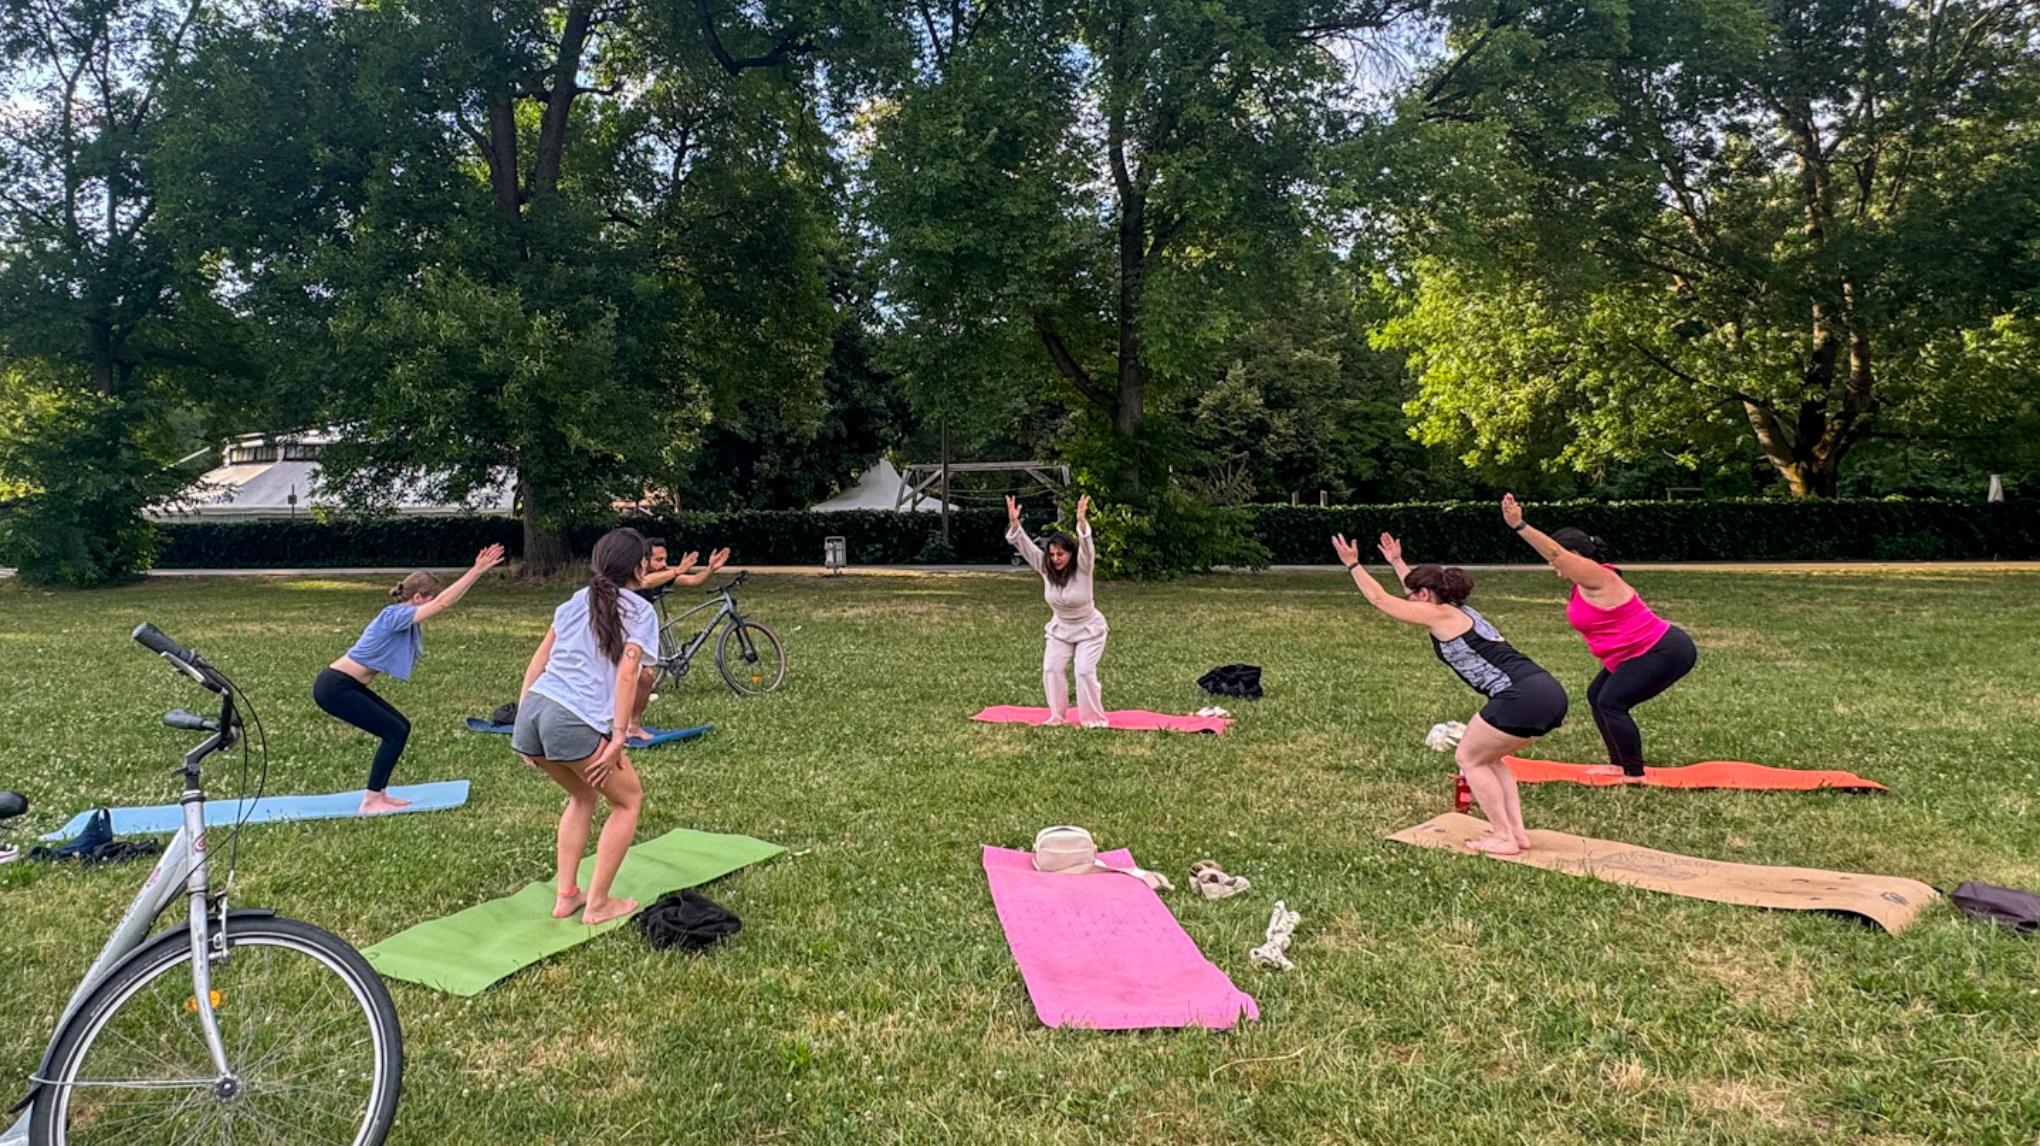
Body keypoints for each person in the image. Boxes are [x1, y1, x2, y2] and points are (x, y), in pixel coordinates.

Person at [1335, 533, 1567, 855]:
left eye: (1412, 595)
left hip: (1520, 695)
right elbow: (1419, 592)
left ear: (1425, 594)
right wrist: (1397, 562)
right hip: (1545, 690)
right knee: (1490, 759)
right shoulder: (1457, 610)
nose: (1409, 602)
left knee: (1468, 759)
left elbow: (1381, 600)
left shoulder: (1442, 614)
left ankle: (1504, 837)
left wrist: (1353, 565)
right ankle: (1516, 833)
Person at [511, 528, 659, 926]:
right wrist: (619, 737)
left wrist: (522, 727)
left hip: (535, 711)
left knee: (582, 795)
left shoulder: (575, 600)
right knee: (628, 801)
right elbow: (628, 674)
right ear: (639, 567)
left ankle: (567, 896)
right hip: (569, 719)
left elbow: (537, 662)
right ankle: (597, 905)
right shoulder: (641, 612)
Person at [1501, 494, 1698, 778]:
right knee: (1597, 696)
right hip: (1634, 654)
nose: (1550, 563)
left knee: (1611, 702)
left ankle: (1633, 774)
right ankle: (1619, 763)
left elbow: (1556, 554)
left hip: (1663, 650)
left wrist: (1519, 525)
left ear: (1575, 554)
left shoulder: (1599, 576)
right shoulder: (1582, 585)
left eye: (1555, 557)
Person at [314, 545, 507, 814]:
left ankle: (379, 794)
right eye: (429, 599)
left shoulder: (401, 616)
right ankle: (370, 801)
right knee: (393, 732)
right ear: (417, 597)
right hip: (335, 687)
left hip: (347, 684)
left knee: (400, 727)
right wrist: (476, 571)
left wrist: (475, 575)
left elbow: (444, 601)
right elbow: (443, 602)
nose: (433, 606)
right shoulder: (394, 615)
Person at [1007, 493, 1108, 728]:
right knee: (1051, 669)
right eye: (1052, 554)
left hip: (1089, 629)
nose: (1055, 559)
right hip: (1060, 628)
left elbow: (1087, 548)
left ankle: (1093, 719)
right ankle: (1057, 717)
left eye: (1060, 554)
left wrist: (1082, 523)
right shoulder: (1046, 568)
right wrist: (1014, 523)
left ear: (1071, 554)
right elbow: (1026, 547)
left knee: (1084, 671)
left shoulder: (1083, 567)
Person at [623, 541, 731, 740]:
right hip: (618, 631)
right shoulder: (632, 576)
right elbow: (644, 581)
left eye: (665, 559)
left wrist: (711, 568)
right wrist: (676, 571)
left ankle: (632, 725)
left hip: (637, 632)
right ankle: (618, 724)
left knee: (646, 676)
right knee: (631, 677)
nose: (664, 564)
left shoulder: (663, 575)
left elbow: (694, 580)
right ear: (644, 561)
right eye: (658, 559)